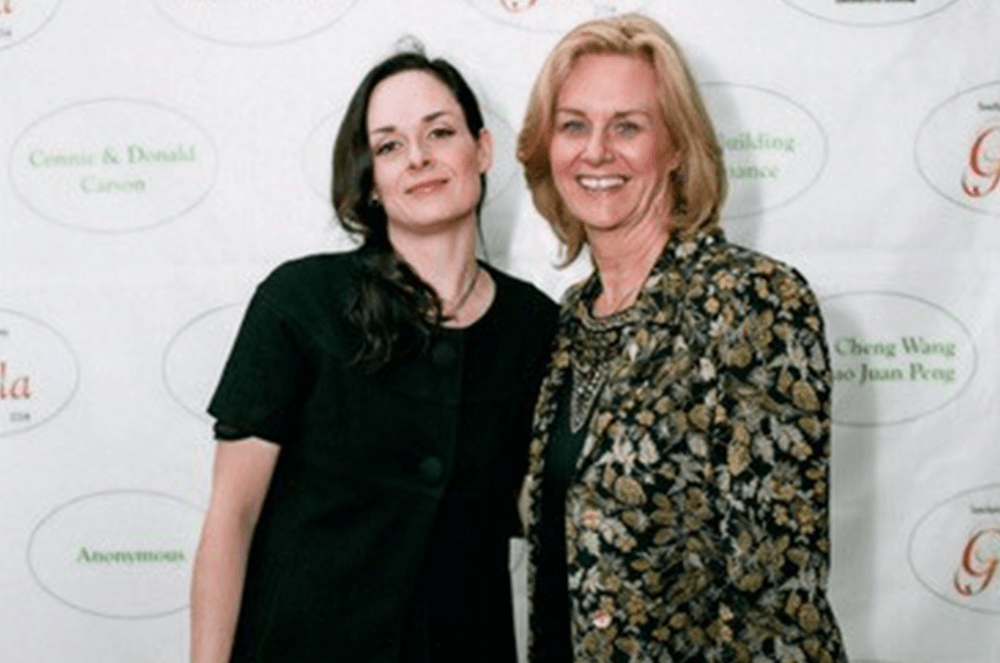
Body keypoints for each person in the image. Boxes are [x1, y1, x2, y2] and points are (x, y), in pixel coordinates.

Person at [189, 47, 558, 663]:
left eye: (440, 132)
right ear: (372, 180)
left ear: (483, 150)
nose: (418, 157)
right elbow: (232, 518)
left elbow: (539, 505)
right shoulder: (299, 303)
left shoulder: (535, 326)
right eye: (389, 146)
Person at [516, 14, 848, 663]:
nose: (597, 151)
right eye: (574, 124)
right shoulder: (567, 322)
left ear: (675, 148)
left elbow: (775, 595)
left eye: (628, 126)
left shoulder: (751, 301)